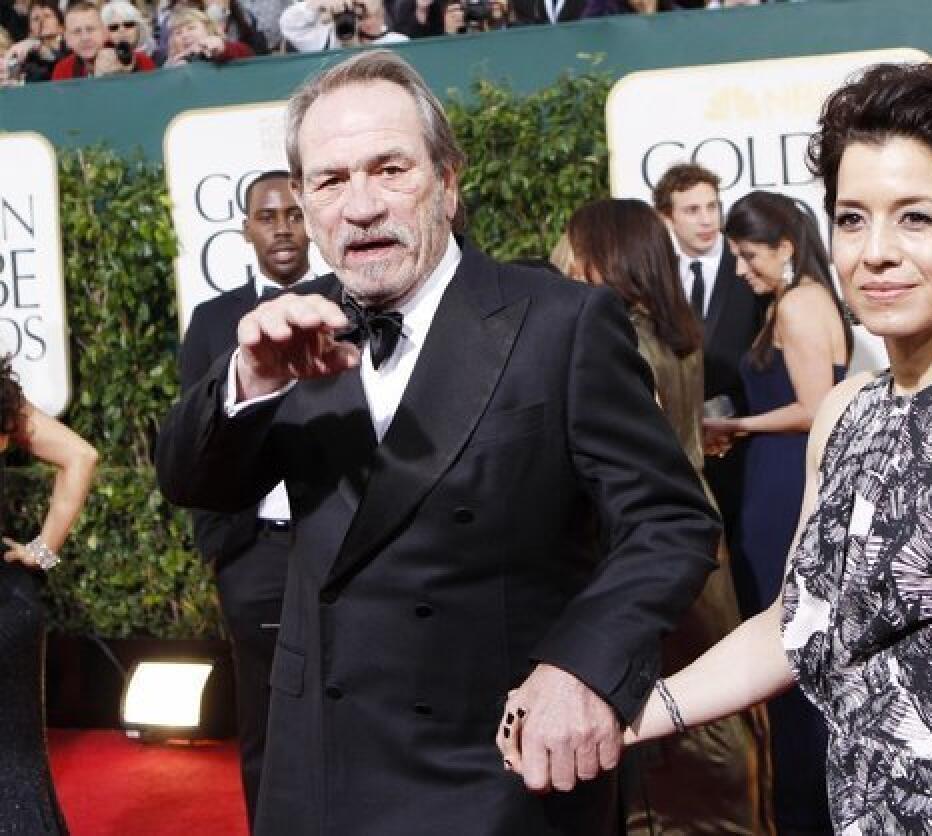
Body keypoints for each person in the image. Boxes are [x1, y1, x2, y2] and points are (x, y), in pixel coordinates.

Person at [502, 61, 932, 834]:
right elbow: (796, 623)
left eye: (916, 218)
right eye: (852, 218)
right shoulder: (847, 413)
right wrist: (622, 711)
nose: (875, 252)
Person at [155, 49, 719, 835]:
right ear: (309, 205)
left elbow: (669, 521)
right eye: (330, 180)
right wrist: (245, 383)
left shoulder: (561, 324)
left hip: (496, 763)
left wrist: (584, 667)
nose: (359, 206)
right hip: (318, 765)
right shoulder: (286, 331)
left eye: (389, 169)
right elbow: (189, 480)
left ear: (447, 184)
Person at [563, 197, 771, 836]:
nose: (564, 262)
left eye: (574, 248)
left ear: (603, 255)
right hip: (697, 525)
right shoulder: (675, 331)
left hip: (651, 536)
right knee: (715, 688)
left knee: (675, 698)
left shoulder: (618, 338)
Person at [700, 189, 849, 836]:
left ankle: (810, 813)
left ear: (785, 247)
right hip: (774, 481)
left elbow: (818, 406)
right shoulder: (793, 302)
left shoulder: (799, 304)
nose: (739, 269)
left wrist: (737, 425)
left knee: (790, 650)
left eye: (748, 254)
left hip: (788, 488)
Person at [177, 170, 315, 824]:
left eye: (294, 212)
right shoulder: (211, 322)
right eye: (268, 216)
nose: (283, 226)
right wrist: (220, 551)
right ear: (246, 230)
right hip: (253, 552)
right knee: (264, 718)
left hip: (344, 542)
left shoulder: (356, 303)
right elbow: (197, 441)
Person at [0, 356, 98, 835]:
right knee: (15, 766)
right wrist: (42, 552)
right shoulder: (2, 396)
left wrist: (41, 552)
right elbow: (81, 455)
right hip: (9, 604)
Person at [652, 163, 765, 577]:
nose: (706, 220)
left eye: (712, 207)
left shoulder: (748, 265)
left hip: (746, 439)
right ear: (667, 217)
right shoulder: (658, 273)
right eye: (692, 210)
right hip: (681, 445)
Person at [52, 0, 154, 79]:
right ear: (67, 39)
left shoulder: (140, 61)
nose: (85, 38)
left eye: (91, 29)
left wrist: (126, 74)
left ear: (105, 33)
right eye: (76, 32)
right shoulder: (62, 70)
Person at [279, 0, 406, 52]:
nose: (363, 23)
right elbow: (288, 24)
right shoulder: (324, 41)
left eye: (368, 16)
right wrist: (318, 4)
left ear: (382, 14)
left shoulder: (398, 42)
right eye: (358, 17)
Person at [3, 1, 67, 84]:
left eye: (47, 16)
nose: (42, 21)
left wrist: (48, 54)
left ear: (61, 27)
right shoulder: (28, 57)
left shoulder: (71, 48)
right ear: (30, 32)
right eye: (36, 18)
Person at [163, 7, 253, 65]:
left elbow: (248, 55)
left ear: (207, 29)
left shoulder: (224, 49)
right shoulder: (170, 64)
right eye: (178, 33)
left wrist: (222, 48)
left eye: (191, 28)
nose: (185, 35)